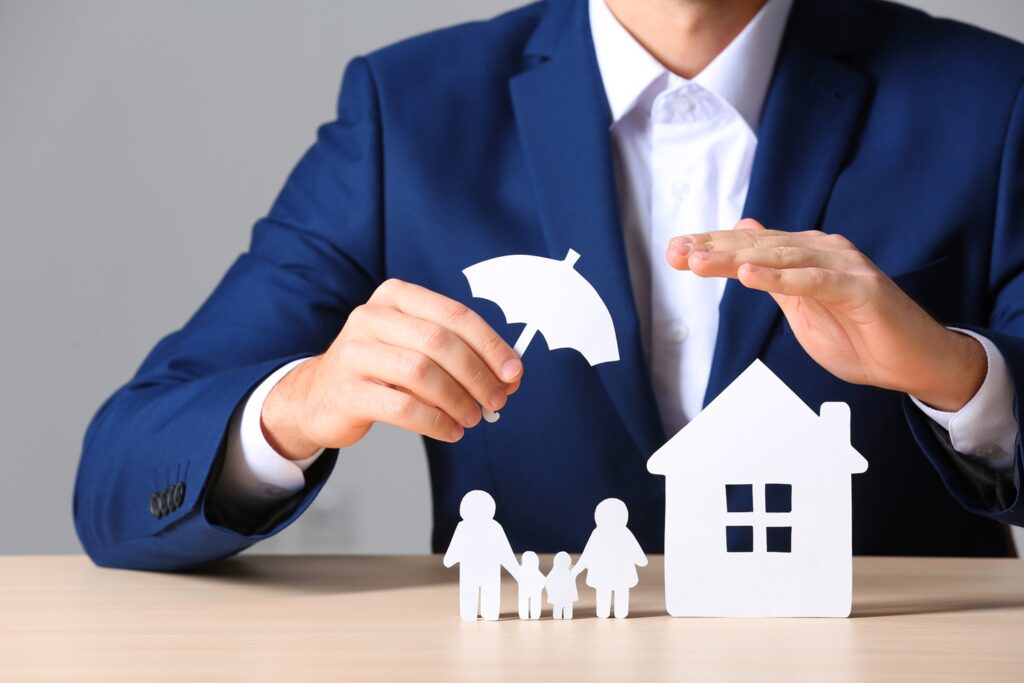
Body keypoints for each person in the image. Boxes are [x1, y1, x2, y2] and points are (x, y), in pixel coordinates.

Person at [74, 0, 1024, 571]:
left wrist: (957, 375)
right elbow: (122, 473)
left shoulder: (991, 98)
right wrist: (300, 404)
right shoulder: (408, 111)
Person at [442, 490, 519, 621]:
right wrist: (517, 572)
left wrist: (449, 559)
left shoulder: (486, 527)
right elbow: (505, 553)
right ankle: (480, 613)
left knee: (477, 595)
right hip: (482, 571)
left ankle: (478, 613)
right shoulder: (490, 527)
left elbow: (505, 552)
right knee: (476, 594)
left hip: (478, 571)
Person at [572, 499, 648, 619]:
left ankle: (612, 612)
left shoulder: (603, 533)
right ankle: (615, 612)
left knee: (610, 590)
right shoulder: (619, 533)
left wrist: (575, 571)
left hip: (607, 573)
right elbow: (587, 555)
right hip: (618, 573)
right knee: (613, 590)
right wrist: (641, 560)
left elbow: (587, 555)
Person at [545, 552, 579, 620]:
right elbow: (548, 583)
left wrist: (550, 593)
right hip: (565, 596)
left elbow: (547, 583)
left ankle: (563, 615)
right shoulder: (570, 572)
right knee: (562, 607)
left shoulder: (570, 571)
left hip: (562, 596)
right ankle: (563, 615)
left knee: (563, 607)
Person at [516, 551, 546, 619]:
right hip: (532, 591)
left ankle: (527, 614)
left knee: (525, 601)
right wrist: (540, 587)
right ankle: (531, 614)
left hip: (528, 591)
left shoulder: (522, 570)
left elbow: (543, 580)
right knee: (529, 601)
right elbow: (543, 580)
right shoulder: (534, 571)